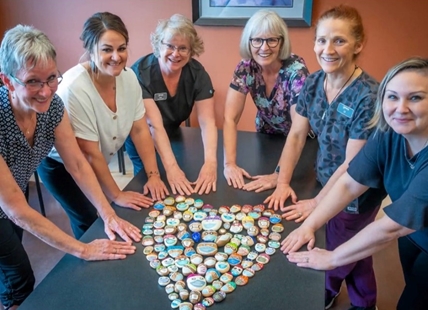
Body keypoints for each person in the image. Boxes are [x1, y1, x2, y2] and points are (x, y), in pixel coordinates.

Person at [0, 25, 140, 310]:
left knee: (10, 270)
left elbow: (76, 162)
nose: (45, 90)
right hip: (7, 201)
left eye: (51, 78)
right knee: (18, 278)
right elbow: (15, 209)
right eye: (33, 82)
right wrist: (83, 250)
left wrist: (108, 213)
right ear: (8, 81)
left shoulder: (53, 107)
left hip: (12, 189)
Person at [265, 5, 386, 310]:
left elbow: (352, 165)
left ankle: (360, 302)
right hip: (326, 180)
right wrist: (282, 182)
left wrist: (318, 204)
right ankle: (332, 292)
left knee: (348, 251)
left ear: (358, 45)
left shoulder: (367, 96)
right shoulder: (314, 82)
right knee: (337, 242)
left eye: (339, 41)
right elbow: (296, 134)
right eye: (321, 40)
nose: (327, 49)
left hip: (357, 191)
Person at [284, 57, 428, 310]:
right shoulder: (387, 134)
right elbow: (350, 184)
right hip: (415, 234)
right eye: (392, 97)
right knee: (412, 284)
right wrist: (310, 225)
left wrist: (333, 258)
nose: (400, 108)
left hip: (409, 229)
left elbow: (392, 227)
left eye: (415, 98)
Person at [38, 12, 168, 239]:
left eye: (122, 48)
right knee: (89, 222)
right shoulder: (75, 88)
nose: (116, 57)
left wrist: (153, 174)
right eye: (107, 49)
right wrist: (116, 195)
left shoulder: (129, 78)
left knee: (107, 217)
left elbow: (139, 130)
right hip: (61, 166)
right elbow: (89, 154)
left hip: (94, 158)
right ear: (90, 49)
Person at [125, 14, 217, 196]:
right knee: (152, 186)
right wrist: (171, 168)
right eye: (170, 46)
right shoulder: (140, 74)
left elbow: (208, 122)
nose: (176, 54)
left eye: (183, 48)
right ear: (159, 44)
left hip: (174, 133)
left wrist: (210, 163)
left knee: (180, 185)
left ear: (191, 51)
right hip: (143, 136)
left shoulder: (197, 74)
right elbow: (154, 125)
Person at [222, 10, 309, 190]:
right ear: (249, 41)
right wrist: (229, 164)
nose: (264, 47)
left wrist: (279, 175)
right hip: (267, 135)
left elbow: (298, 129)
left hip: (302, 140)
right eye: (257, 40)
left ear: (281, 42)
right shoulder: (245, 67)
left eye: (271, 40)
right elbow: (230, 118)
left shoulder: (297, 72)